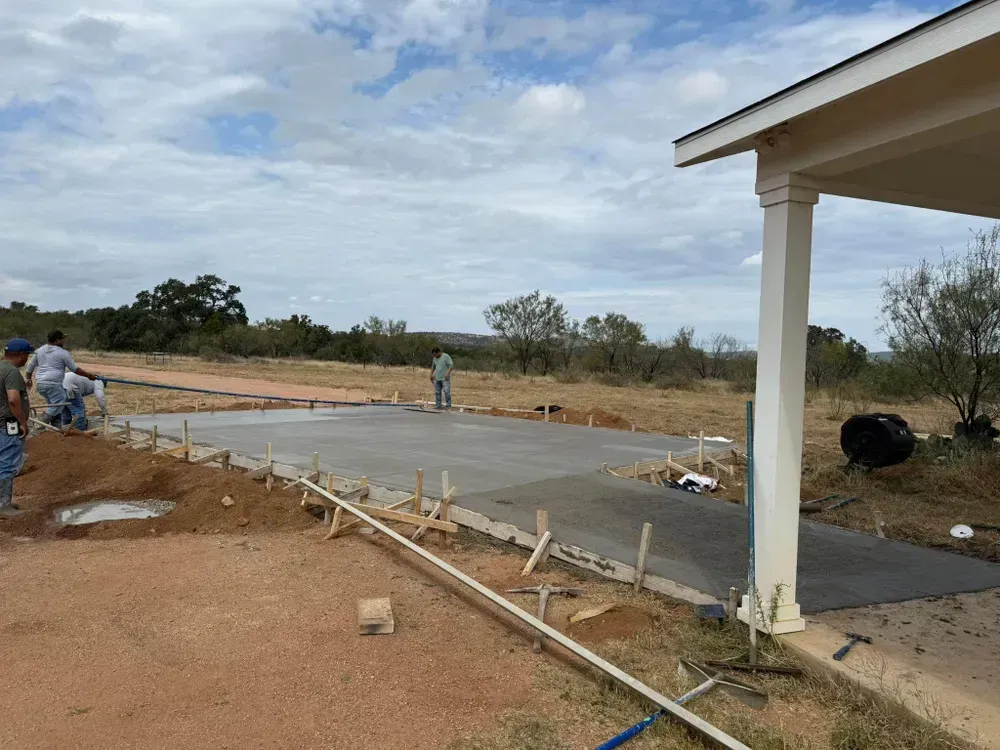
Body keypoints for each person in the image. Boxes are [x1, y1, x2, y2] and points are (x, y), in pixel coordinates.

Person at [25, 330, 98, 427]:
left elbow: (30, 367)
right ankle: (39, 425)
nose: (64, 341)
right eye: (62, 339)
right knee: (60, 403)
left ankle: (56, 431)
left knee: (55, 407)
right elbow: (75, 369)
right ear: (57, 340)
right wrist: (89, 375)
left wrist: (29, 379)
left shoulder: (39, 351)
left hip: (41, 384)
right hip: (53, 384)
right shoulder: (63, 353)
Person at [1, 338, 34, 517]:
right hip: (8, 423)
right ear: (21, 355)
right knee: (7, 461)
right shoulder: (12, 372)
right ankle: (3, 504)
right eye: (27, 356)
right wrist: (22, 421)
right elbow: (13, 399)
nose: (26, 360)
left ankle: (3, 500)